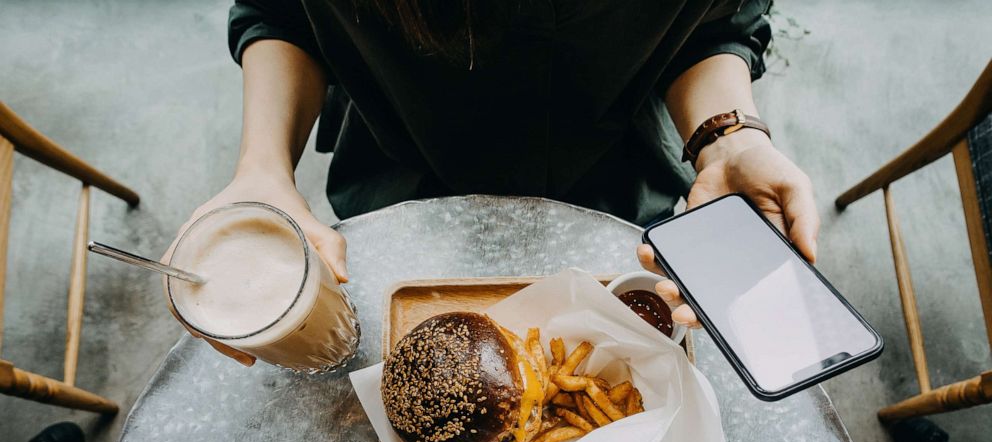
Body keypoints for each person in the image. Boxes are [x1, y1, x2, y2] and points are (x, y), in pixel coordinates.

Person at [174, 0, 820, 364]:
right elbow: (282, 14)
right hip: (402, 163)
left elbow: (712, 27)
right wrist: (261, 167)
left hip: (615, 167)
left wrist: (725, 137)